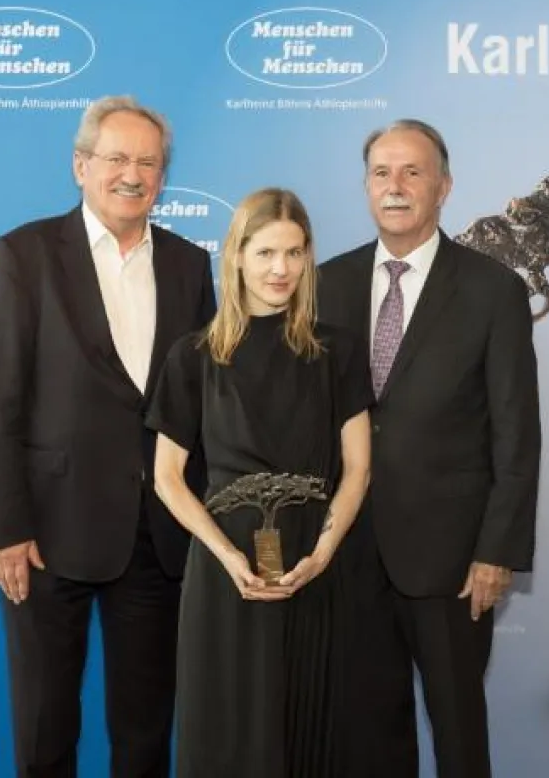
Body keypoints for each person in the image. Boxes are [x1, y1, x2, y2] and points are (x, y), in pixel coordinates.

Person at [0, 95, 217, 777]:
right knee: (46, 726)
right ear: (81, 166)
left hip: (158, 535)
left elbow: (200, 406)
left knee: (145, 732)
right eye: (115, 158)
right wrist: (4, 529)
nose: (131, 174)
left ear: (163, 178)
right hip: (46, 533)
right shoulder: (24, 254)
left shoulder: (191, 265)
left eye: (147, 162)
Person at [317, 119, 542, 778]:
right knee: (366, 732)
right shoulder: (325, 284)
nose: (396, 186)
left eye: (412, 172)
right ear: (366, 187)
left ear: (443, 187)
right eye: (382, 173)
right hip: (346, 556)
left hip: (451, 561)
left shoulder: (492, 289)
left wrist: (497, 550)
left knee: (458, 732)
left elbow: (516, 432)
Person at [146, 187, 373, 777]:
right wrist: (224, 555)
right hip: (225, 577)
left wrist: (322, 554)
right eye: (268, 252)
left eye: (295, 254)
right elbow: (168, 478)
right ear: (238, 255)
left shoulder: (336, 351)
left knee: (313, 732)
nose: (281, 269)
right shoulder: (192, 356)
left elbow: (358, 469)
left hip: (316, 570)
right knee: (225, 737)